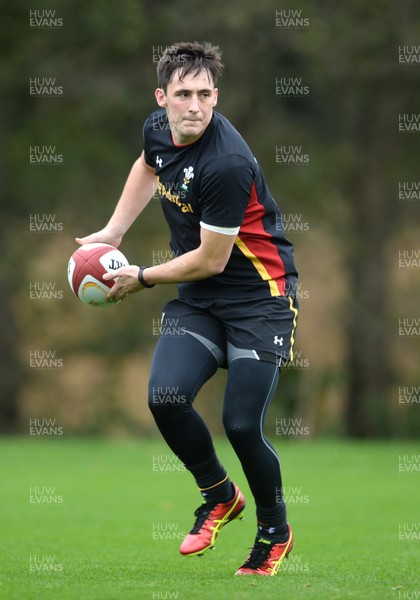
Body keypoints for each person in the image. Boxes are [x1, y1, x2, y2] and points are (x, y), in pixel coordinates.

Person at [76, 41, 299, 577]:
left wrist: (143, 276)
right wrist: (112, 232)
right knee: (165, 397)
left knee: (241, 425)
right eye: (183, 94)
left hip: (258, 300)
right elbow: (148, 166)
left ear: (216, 97)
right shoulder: (157, 128)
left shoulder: (225, 163)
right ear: (163, 98)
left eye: (204, 95)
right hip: (201, 301)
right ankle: (219, 496)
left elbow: (213, 260)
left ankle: (274, 531)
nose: (194, 105)